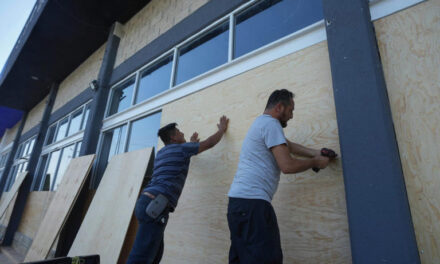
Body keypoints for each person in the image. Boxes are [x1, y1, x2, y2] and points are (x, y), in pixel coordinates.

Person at [227, 89, 336, 264]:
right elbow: (287, 166)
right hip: (253, 205)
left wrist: (317, 152)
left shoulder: (261, 123)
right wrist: (315, 162)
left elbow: (289, 145)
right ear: (279, 107)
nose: (292, 116)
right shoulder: (271, 124)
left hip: (237, 204)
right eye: (291, 110)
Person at [127, 115, 229, 264]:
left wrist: (192, 144)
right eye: (179, 132)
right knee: (142, 258)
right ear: (174, 138)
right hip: (154, 206)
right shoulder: (182, 149)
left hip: (146, 203)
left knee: (154, 255)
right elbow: (209, 143)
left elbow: (180, 157)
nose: (182, 133)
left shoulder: (163, 153)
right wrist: (221, 130)